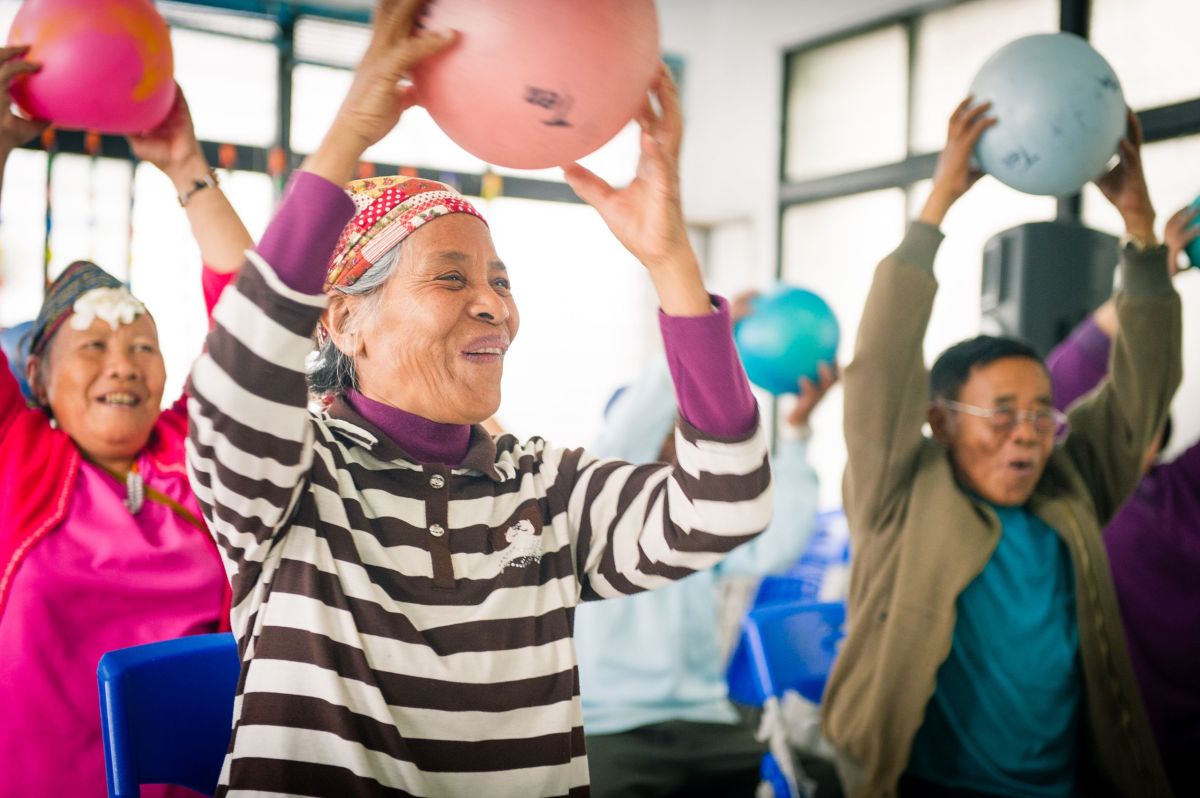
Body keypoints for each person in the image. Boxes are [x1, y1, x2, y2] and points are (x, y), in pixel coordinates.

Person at [185, 2, 773, 795]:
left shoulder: (544, 490)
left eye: (500, 282)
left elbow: (728, 501)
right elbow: (237, 380)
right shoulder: (292, 483)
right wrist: (346, 139)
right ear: (345, 320)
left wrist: (670, 260)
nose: (496, 305)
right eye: (452, 278)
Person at [821, 96, 1180, 798]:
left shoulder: (1071, 486)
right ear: (941, 419)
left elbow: (1143, 388)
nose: (1027, 433)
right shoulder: (898, 492)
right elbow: (883, 365)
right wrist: (939, 204)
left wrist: (1140, 231)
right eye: (1003, 414)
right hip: (925, 784)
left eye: (1042, 413)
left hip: (1066, 785)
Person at [0, 47, 253, 797]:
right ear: (38, 376)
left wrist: (185, 165)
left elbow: (255, 320)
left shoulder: (193, 450)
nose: (124, 362)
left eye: (143, 343)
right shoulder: (16, 454)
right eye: (96, 345)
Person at [577, 338, 836, 798]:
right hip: (613, 729)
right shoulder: (589, 520)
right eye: (668, 425)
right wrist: (692, 336)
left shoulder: (698, 528)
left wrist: (796, 432)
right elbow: (625, 437)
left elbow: (777, 546)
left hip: (707, 721)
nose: (679, 439)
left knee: (820, 779)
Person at [1046, 204, 1200, 797]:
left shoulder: (1077, 504)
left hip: (1104, 762)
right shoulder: (1173, 491)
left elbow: (1066, 376)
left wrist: (1154, 270)